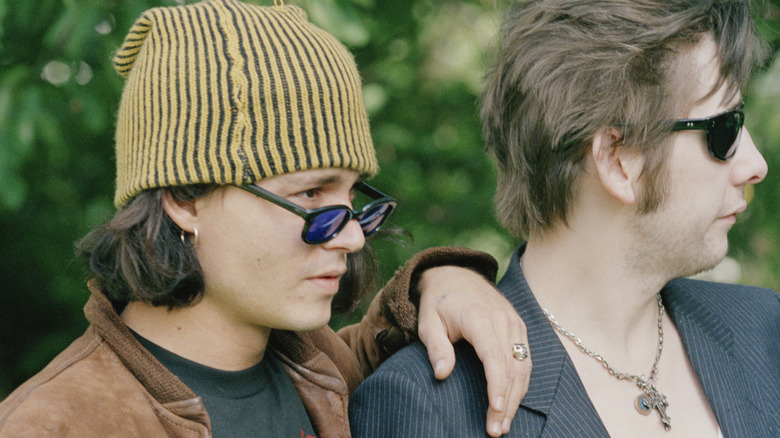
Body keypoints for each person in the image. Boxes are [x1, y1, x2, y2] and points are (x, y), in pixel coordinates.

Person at [0, 1, 532, 437]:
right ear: (184, 199)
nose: (349, 236)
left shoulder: (319, 365)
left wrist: (443, 280)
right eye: (309, 194)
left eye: (352, 198)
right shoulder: (55, 424)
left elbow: (374, 350)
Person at [349, 0, 779, 436]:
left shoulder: (765, 332)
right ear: (617, 159)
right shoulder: (429, 406)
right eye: (725, 129)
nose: (754, 163)